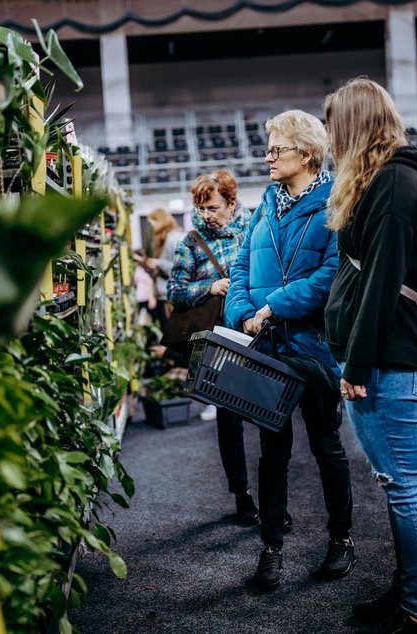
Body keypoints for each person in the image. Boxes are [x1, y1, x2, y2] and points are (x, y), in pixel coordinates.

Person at [323, 78, 417, 633]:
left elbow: (381, 283)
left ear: (353, 126)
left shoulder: (398, 184)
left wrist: (355, 365)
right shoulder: (382, 181)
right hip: (387, 358)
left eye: (334, 127)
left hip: (394, 362)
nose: (330, 139)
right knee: (397, 484)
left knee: (407, 488)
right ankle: (407, 595)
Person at [224, 109, 354, 591]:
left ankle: (341, 540)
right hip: (266, 348)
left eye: (277, 149)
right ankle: (271, 548)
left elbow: (332, 274)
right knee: (272, 453)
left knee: (326, 446)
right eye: (269, 149)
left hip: (312, 347)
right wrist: (241, 313)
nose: (269, 156)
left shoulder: (335, 202)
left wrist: (274, 307)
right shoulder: (265, 204)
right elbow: (241, 264)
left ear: (307, 153)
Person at [167, 171, 257, 524]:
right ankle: (242, 495)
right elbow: (174, 292)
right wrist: (210, 286)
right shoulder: (189, 243)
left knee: (272, 419)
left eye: (214, 208)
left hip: (256, 332)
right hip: (218, 342)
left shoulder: (253, 231)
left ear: (232, 203)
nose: (206, 215)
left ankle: (275, 499)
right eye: (201, 208)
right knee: (229, 419)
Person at [143, 208, 185, 332]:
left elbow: (180, 269)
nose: (151, 228)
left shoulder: (174, 239)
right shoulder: (166, 239)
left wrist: (158, 263)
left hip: (171, 298)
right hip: (165, 296)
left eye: (152, 223)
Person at [132, 248, 160, 324]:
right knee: (142, 319)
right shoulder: (138, 268)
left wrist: (151, 297)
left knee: (154, 319)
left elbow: (149, 282)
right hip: (140, 297)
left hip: (146, 297)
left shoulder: (144, 267)